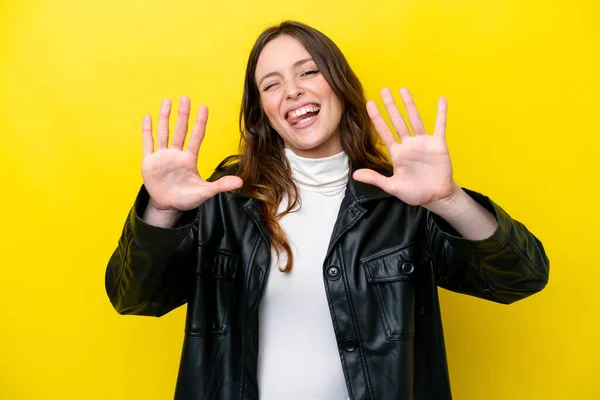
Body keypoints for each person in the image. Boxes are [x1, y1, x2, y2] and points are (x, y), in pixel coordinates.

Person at [105, 20, 549, 400]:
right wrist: (161, 210)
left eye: (309, 71)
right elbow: (135, 298)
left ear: (338, 83)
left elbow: (520, 277)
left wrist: (447, 200)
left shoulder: (400, 200)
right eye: (271, 84)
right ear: (263, 111)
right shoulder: (226, 202)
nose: (293, 91)